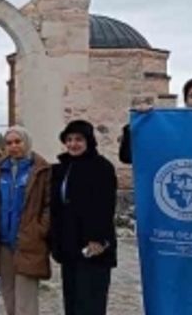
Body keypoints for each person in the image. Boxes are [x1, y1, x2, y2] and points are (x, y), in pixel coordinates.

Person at [0, 126, 51, 315]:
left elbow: (48, 204)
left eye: (17, 142)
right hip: (3, 241)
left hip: (27, 240)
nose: (13, 146)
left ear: (26, 142)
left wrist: (39, 229)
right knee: (8, 294)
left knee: (26, 298)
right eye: (9, 143)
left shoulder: (40, 170)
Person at [50, 120, 116, 315]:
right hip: (69, 241)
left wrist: (98, 239)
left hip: (94, 245)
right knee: (72, 298)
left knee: (91, 300)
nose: (73, 144)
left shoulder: (101, 167)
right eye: (69, 140)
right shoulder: (63, 167)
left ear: (89, 141)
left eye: (78, 139)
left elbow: (105, 206)